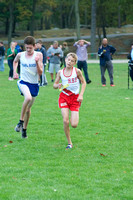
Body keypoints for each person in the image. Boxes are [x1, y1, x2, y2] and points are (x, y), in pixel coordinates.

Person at [53, 53, 86, 149]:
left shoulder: (77, 71)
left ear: (75, 63)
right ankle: (69, 143)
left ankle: (75, 113)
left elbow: (83, 83)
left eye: (72, 61)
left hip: (75, 98)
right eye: (68, 60)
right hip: (64, 97)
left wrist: (81, 95)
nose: (69, 62)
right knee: (65, 121)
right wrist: (57, 85)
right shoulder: (60, 72)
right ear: (65, 60)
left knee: (74, 124)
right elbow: (54, 85)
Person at [13, 36, 43, 138]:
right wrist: (14, 72)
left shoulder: (39, 55)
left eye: (30, 48)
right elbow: (15, 61)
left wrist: (37, 62)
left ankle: (24, 129)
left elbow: (40, 72)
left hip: (34, 84)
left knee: (28, 108)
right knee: (28, 97)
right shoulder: (20, 55)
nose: (28, 50)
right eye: (27, 48)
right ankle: (20, 122)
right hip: (23, 82)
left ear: (34, 46)